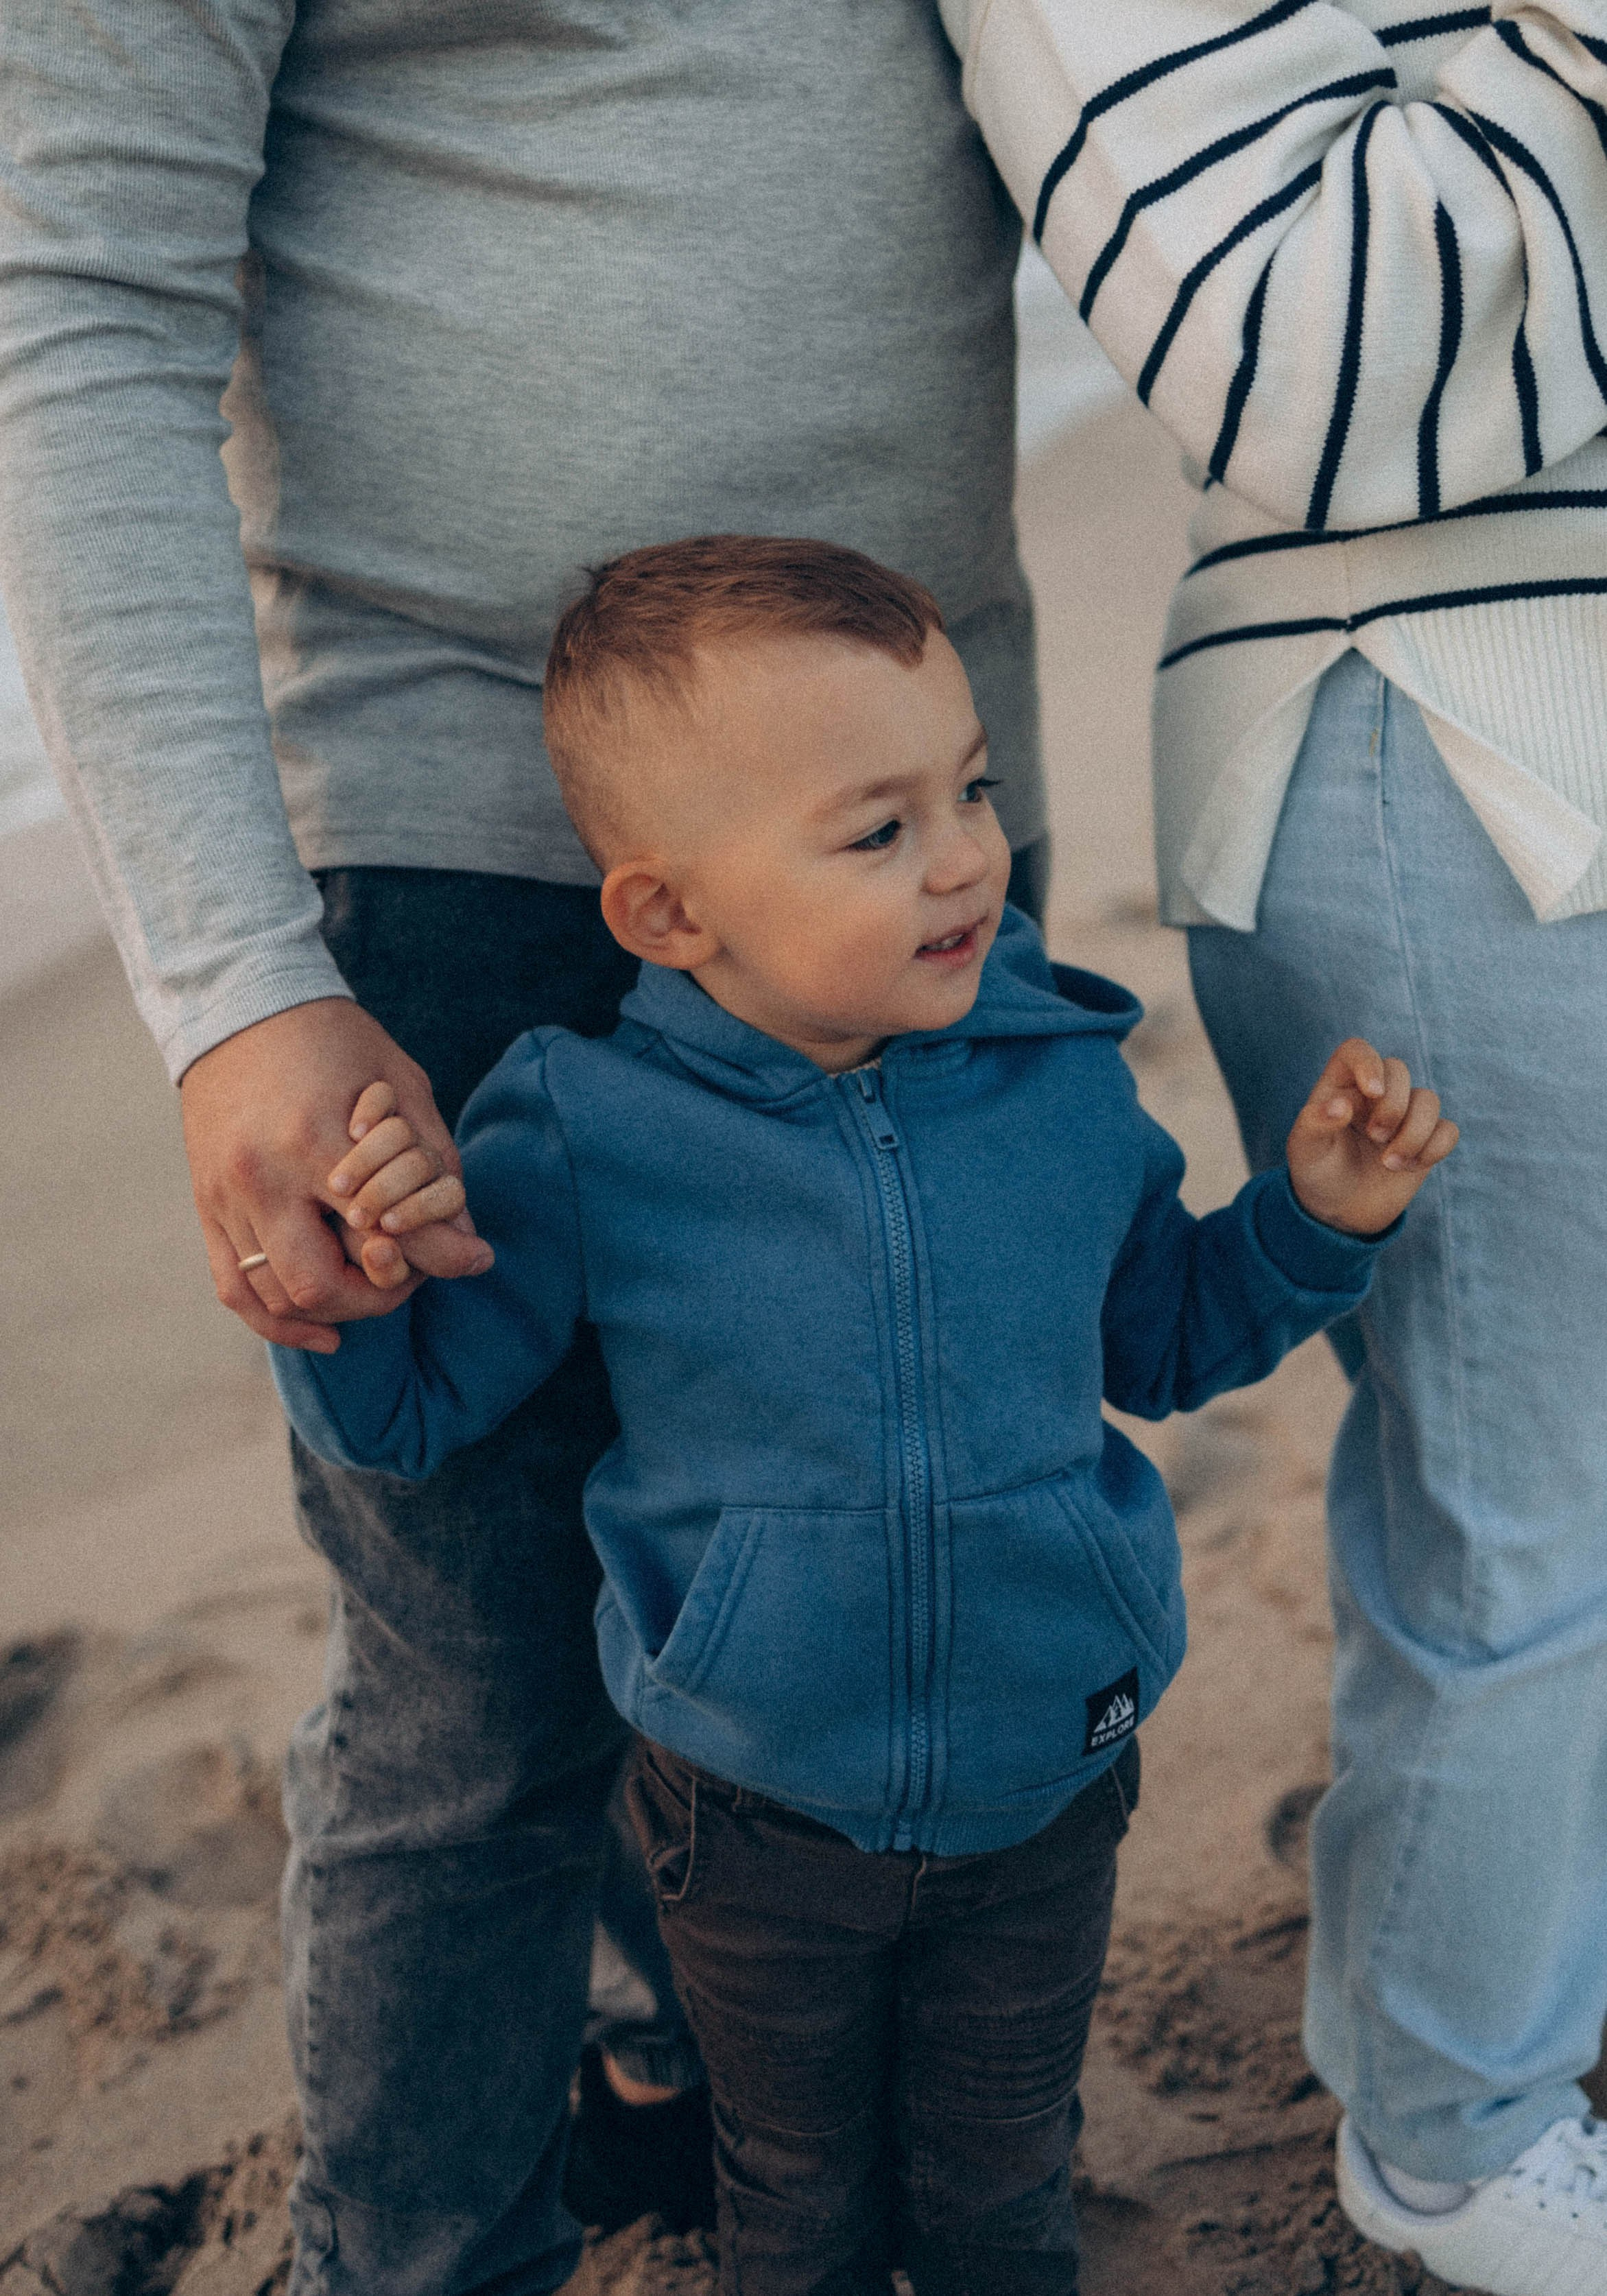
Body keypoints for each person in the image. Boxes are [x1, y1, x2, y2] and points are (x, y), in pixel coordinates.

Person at [0, 5, 1054, 2282]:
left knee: (847, 1575)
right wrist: (234, 986)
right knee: (479, 1696)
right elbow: (70, 295)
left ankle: (678, 2065)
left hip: (938, 832)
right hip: (471, 870)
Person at [271, 534, 1455, 2295]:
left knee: (997, 2195)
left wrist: (1309, 1221)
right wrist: (353, 1305)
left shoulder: (1056, 1083)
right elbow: (422, 1417)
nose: (968, 855)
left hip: (1050, 1766)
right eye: (877, 829)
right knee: (800, 2207)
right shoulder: (587, 1129)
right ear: (671, 914)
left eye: (969, 789)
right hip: (752, 1809)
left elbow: (1165, 1341)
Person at [936, 1, 1607, 2288]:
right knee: (1523, 1506)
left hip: (1514, 703)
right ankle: (1450, 2115)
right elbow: (1313, 385)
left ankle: (1499, 1996)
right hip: (1455, 731)